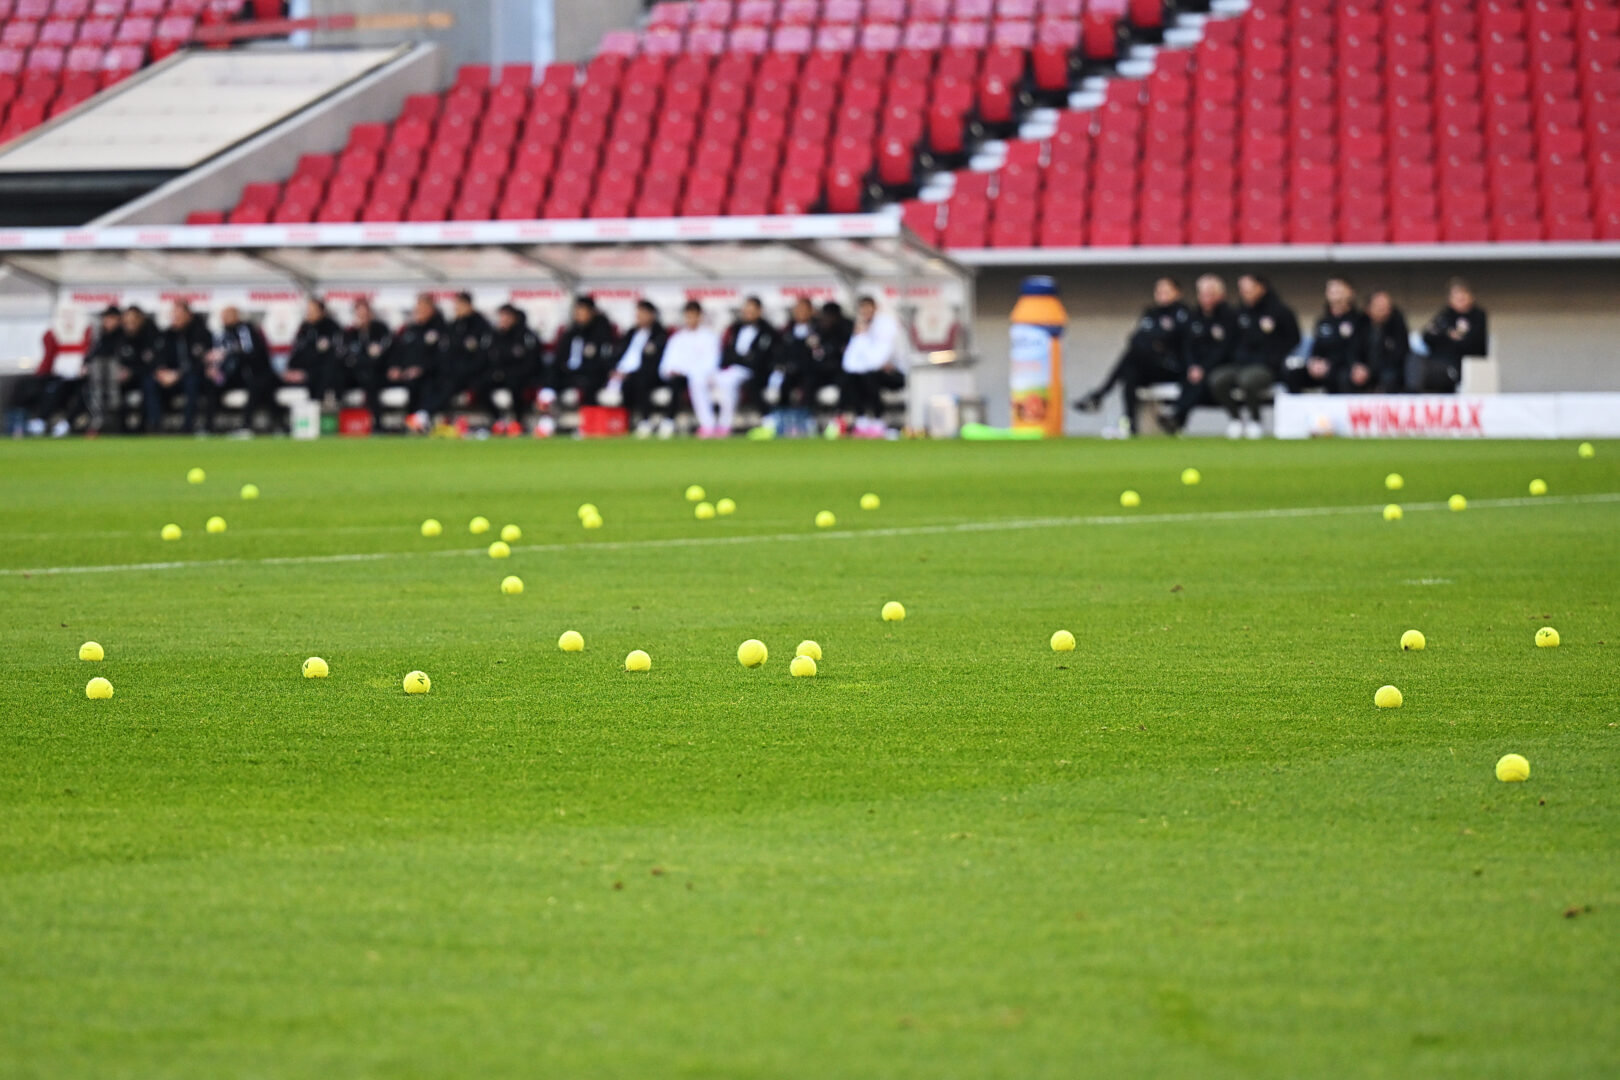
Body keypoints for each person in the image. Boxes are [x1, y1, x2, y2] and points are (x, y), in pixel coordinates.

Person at [1072, 276, 1190, 435]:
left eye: (1166, 291)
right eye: (1159, 291)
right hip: (1150, 366)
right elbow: (1135, 338)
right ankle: (1131, 424)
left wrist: (1153, 341)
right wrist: (1154, 342)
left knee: (1132, 357)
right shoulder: (1151, 312)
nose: (1162, 294)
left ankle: (1100, 395)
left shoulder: (1183, 314)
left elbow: (1169, 339)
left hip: (1172, 367)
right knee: (1131, 373)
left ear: (1177, 293)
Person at [1219, 274, 1299, 439]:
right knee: (1217, 379)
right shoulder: (1239, 313)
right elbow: (1231, 340)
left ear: (1261, 287)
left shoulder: (1279, 311)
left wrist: (1275, 358)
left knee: (1248, 380)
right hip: (1241, 364)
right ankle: (1236, 419)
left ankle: (1255, 420)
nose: (1244, 293)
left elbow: (1293, 338)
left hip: (1267, 366)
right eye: (1242, 289)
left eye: (1248, 288)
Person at [660, 300, 744, 437]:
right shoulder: (677, 338)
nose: (691, 319)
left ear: (700, 316)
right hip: (684, 377)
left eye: (695, 315)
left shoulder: (710, 336)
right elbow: (667, 364)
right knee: (694, 381)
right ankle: (707, 425)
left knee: (725, 381)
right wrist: (674, 371)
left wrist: (693, 371)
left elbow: (713, 361)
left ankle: (724, 425)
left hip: (708, 375)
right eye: (689, 316)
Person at [1167, 274, 1239, 432]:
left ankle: (1177, 415)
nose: (1206, 299)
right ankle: (1176, 418)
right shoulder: (1194, 317)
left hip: (1220, 367)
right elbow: (1187, 346)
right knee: (1188, 379)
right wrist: (1192, 365)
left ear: (1220, 295)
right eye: (1203, 294)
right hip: (1195, 370)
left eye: (1210, 295)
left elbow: (1224, 349)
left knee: (1203, 381)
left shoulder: (1229, 317)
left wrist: (1204, 368)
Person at [413, 291, 492, 430]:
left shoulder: (480, 325)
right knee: (431, 384)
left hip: (474, 374)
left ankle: (423, 416)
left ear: (468, 305)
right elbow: (446, 352)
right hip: (452, 373)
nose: (456, 308)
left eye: (459, 305)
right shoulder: (454, 325)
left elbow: (482, 356)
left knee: (465, 388)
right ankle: (425, 418)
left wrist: (463, 370)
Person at [840, 295, 906, 437]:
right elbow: (849, 362)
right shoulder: (861, 327)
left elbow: (878, 359)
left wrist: (863, 338)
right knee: (851, 378)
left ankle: (878, 418)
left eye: (868, 309)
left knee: (869, 377)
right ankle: (861, 418)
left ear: (875, 308)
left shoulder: (886, 324)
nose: (865, 313)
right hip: (870, 372)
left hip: (895, 373)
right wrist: (860, 335)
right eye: (862, 309)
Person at [1292, 277, 1372, 394]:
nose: (1335, 293)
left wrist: (1333, 364)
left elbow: (1359, 349)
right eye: (1331, 290)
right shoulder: (1323, 321)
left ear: (1350, 293)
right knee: (1293, 374)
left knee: (1339, 376)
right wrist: (1315, 362)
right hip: (1324, 367)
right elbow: (1317, 347)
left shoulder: (1361, 320)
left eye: (1339, 289)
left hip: (1347, 367)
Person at [150, 301, 215, 433]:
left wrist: (179, 374)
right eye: (174, 314)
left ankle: (187, 426)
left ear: (188, 315)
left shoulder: (201, 333)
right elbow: (157, 357)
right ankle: (155, 425)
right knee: (150, 382)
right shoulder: (166, 335)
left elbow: (201, 361)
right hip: (169, 378)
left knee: (192, 381)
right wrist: (160, 371)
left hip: (191, 377)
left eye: (179, 314)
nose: (175, 318)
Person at [607, 299, 670, 436]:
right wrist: (614, 369)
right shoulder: (631, 333)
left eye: (643, 313)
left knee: (639, 381)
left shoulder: (659, 334)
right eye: (638, 313)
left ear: (652, 315)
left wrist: (629, 373)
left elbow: (655, 361)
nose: (640, 317)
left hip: (647, 374)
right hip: (623, 372)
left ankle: (645, 420)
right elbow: (618, 353)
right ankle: (614, 422)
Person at [211, 306, 278, 433]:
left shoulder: (246, 330)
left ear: (236, 316)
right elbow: (220, 357)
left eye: (227, 316)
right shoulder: (223, 333)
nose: (224, 319)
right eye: (223, 317)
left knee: (258, 386)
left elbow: (252, 353)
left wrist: (231, 353)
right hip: (234, 376)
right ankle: (209, 426)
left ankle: (247, 425)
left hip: (257, 374)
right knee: (213, 384)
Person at [1414, 278, 1487, 392]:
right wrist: (1448, 335)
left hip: (1459, 365)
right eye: (1456, 297)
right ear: (1449, 300)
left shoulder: (1477, 316)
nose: (1460, 299)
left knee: (1435, 374)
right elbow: (1427, 336)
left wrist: (1446, 337)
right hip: (1434, 361)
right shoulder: (1445, 315)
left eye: (1463, 295)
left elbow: (1473, 343)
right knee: (1415, 365)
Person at [479, 303, 541, 435]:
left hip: (519, 377)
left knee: (516, 386)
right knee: (480, 385)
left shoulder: (526, 336)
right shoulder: (492, 336)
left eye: (508, 317)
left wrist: (511, 373)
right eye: (502, 317)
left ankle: (518, 422)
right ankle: (498, 421)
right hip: (497, 376)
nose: (504, 320)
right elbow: (485, 360)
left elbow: (531, 363)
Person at [385, 294, 446, 426]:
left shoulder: (440, 329)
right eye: (418, 307)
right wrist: (395, 367)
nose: (419, 311)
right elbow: (397, 351)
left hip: (430, 375)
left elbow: (441, 358)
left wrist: (421, 369)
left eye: (423, 307)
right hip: (405, 374)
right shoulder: (410, 330)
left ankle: (419, 420)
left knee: (426, 385)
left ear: (431, 309)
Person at [551, 294, 618, 406]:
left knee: (591, 383)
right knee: (550, 377)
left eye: (582, 311)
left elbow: (603, 361)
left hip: (589, 375)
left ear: (591, 312)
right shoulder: (570, 333)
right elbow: (560, 357)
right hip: (569, 373)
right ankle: (547, 416)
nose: (578, 314)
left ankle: (589, 419)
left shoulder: (601, 333)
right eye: (577, 311)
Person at [283, 297, 344, 405]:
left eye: (313, 310)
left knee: (324, 374)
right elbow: (298, 351)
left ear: (322, 311)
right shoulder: (304, 328)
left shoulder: (331, 327)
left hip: (323, 372)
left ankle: (317, 408)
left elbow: (332, 354)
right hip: (304, 370)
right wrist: (292, 368)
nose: (309, 313)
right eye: (308, 310)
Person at [721, 295, 779, 406]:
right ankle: (711, 421)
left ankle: (725, 421)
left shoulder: (767, 331)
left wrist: (740, 359)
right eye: (746, 310)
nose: (748, 313)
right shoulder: (735, 328)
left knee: (728, 381)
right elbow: (728, 350)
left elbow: (760, 357)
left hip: (754, 370)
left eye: (752, 310)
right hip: (732, 367)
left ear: (759, 311)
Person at [345, 297, 393, 426]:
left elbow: (382, 355)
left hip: (377, 373)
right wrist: (367, 356)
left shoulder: (380, 330)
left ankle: (376, 423)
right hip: (355, 374)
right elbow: (349, 357)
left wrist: (365, 358)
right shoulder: (351, 333)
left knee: (370, 379)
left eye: (365, 314)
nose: (363, 317)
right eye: (360, 314)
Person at [116, 306, 159, 433]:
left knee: (150, 384)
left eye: (133, 320)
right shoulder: (120, 337)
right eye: (127, 320)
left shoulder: (151, 335)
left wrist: (132, 372)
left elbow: (151, 363)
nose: (130, 323)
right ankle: (117, 426)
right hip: (125, 379)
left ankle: (152, 425)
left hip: (144, 376)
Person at [83, 305, 124, 435]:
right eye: (106, 318)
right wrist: (85, 365)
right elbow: (91, 355)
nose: (108, 322)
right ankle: (98, 420)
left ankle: (112, 422)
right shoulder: (100, 337)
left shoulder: (123, 336)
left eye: (111, 318)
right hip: (99, 379)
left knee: (112, 394)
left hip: (116, 380)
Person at [1365, 290, 1409, 393]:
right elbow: (1354, 349)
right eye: (1379, 307)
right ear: (1368, 309)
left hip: (1389, 370)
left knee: (1390, 376)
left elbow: (1400, 354)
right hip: (1366, 369)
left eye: (1386, 307)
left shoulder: (1397, 324)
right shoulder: (1361, 324)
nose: (1384, 310)